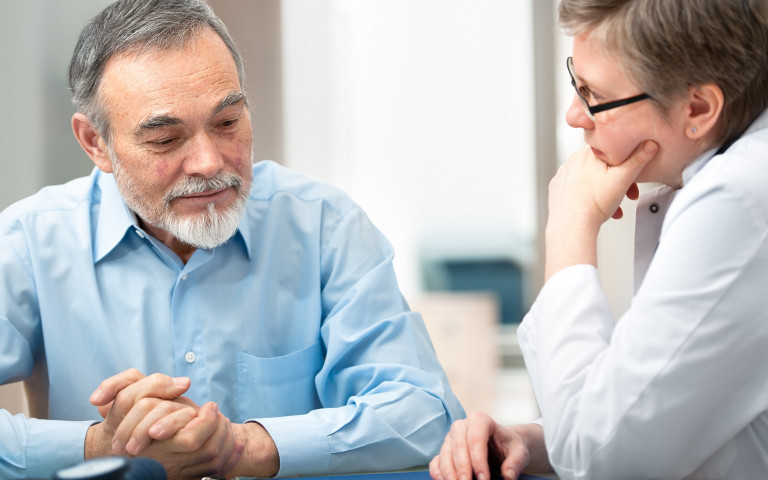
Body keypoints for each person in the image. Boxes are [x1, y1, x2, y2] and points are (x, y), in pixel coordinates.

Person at [0, 0, 465, 478]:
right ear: (96, 142)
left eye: (227, 123)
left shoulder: (324, 226)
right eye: (165, 139)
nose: (208, 162)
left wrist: (247, 445)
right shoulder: (28, 243)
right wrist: (96, 444)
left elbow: (426, 412)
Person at [429, 1, 768, 479]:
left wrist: (570, 227)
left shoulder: (738, 200)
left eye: (594, 95)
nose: (573, 114)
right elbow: (667, 419)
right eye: (575, 82)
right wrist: (532, 439)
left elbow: (601, 459)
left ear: (698, 108)